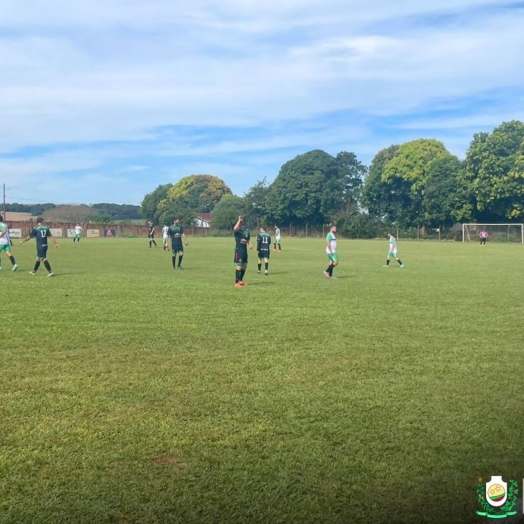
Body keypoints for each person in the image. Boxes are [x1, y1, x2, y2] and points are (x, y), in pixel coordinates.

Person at [233, 216, 252, 287]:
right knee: (239, 265)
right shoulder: (237, 232)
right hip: (239, 251)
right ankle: (236, 282)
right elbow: (234, 228)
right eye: (240, 223)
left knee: (245, 266)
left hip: (244, 251)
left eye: (242, 223)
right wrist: (238, 220)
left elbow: (248, 239)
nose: (241, 224)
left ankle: (240, 280)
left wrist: (250, 244)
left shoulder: (246, 231)